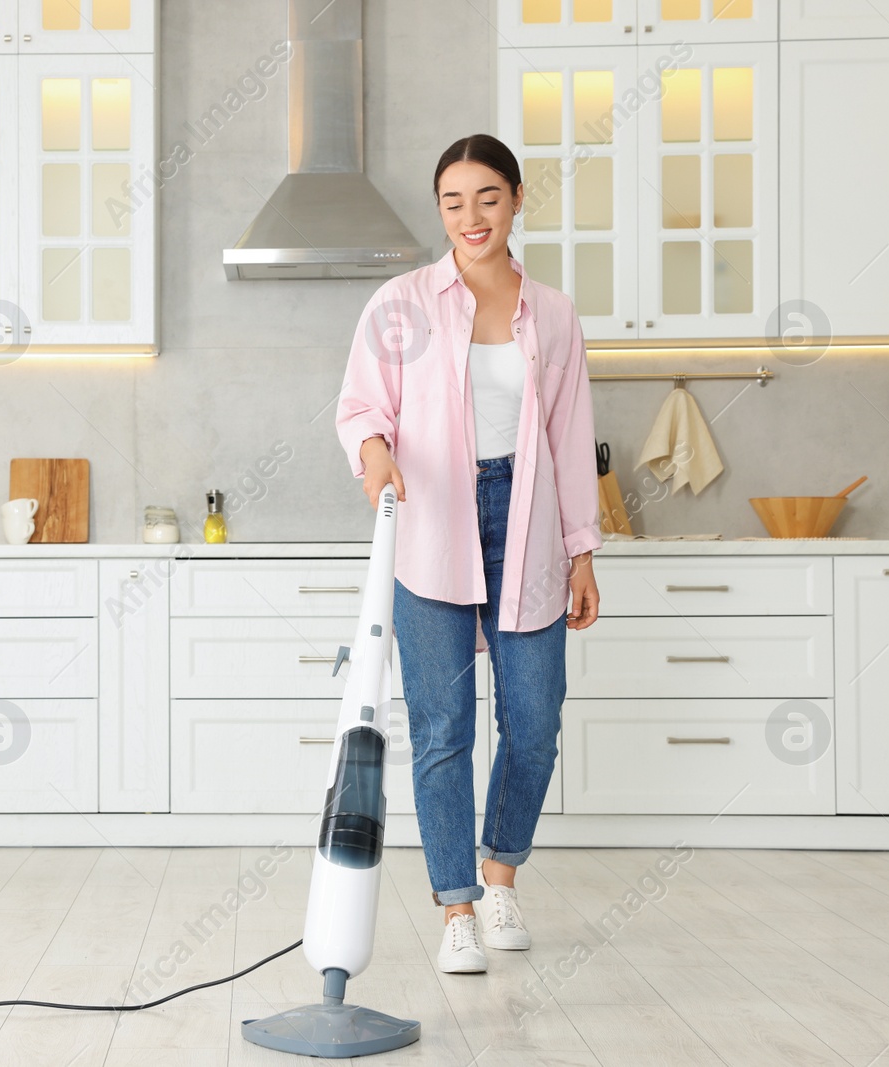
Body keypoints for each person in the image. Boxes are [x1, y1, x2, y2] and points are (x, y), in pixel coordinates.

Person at [334, 133, 602, 975]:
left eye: (487, 197)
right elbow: (359, 408)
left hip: (527, 512)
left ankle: (500, 876)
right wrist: (375, 454)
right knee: (443, 729)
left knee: (534, 722)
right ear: (440, 210)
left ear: (517, 199)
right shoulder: (402, 305)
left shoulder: (553, 313)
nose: (470, 216)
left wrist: (583, 549)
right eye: (453, 201)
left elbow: (570, 437)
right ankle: (456, 906)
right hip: (431, 520)